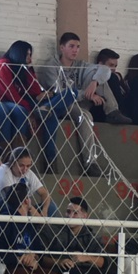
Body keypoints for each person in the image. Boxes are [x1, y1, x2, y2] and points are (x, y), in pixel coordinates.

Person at [36, 32, 103, 176]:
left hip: (78, 102)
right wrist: (86, 94)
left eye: (78, 47)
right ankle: (90, 163)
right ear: (62, 48)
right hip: (59, 103)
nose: (75, 50)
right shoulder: (51, 66)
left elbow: (105, 70)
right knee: (85, 116)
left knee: (101, 81)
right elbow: (59, 93)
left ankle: (113, 111)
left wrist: (94, 82)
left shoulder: (80, 65)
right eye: (71, 46)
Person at [78, 47, 131, 125]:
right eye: (111, 65)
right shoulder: (92, 72)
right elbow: (104, 71)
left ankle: (115, 113)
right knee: (107, 77)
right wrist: (95, 82)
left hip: (117, 110)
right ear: (100, 64)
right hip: (90, 108)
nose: (114, 69)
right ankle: (113, 113)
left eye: (115, 66)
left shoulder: (117, 77)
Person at [0, 146, 52, 214]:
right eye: (21, 165)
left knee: (51, 207)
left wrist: (44, 210)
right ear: (12, 163)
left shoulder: (28, 172)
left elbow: (44, 193)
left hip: (25, 206)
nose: (25, 169)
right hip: (6, 206)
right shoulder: (3, 170)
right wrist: (39, 217)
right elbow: (15, 199)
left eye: (28, 166)